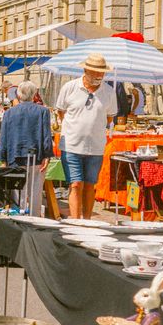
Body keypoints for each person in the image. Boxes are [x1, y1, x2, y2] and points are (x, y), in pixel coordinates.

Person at [55, 53, 116, 219]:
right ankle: (75, 222)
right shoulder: (70, 87)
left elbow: (109, 117)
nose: (99, 76)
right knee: (75, 184)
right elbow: (61, 112)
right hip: (71, 145)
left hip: (95, 147)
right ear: (86, 70)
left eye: (102, 72)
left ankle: (87, 221)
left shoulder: (109, 92)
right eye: (95, 72)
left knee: (90, 185)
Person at [0, 81, 54, 215]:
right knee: (36, 191)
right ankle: (33, 218)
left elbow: (4, 137)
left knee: (17, 193)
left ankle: (18, 217)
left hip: (15, 155)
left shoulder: (9, 113)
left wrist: (3, 157)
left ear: (18, 94)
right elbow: (46, 135)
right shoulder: (43, 111)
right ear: (34, 94)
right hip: (36, 155)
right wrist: (47, 155)